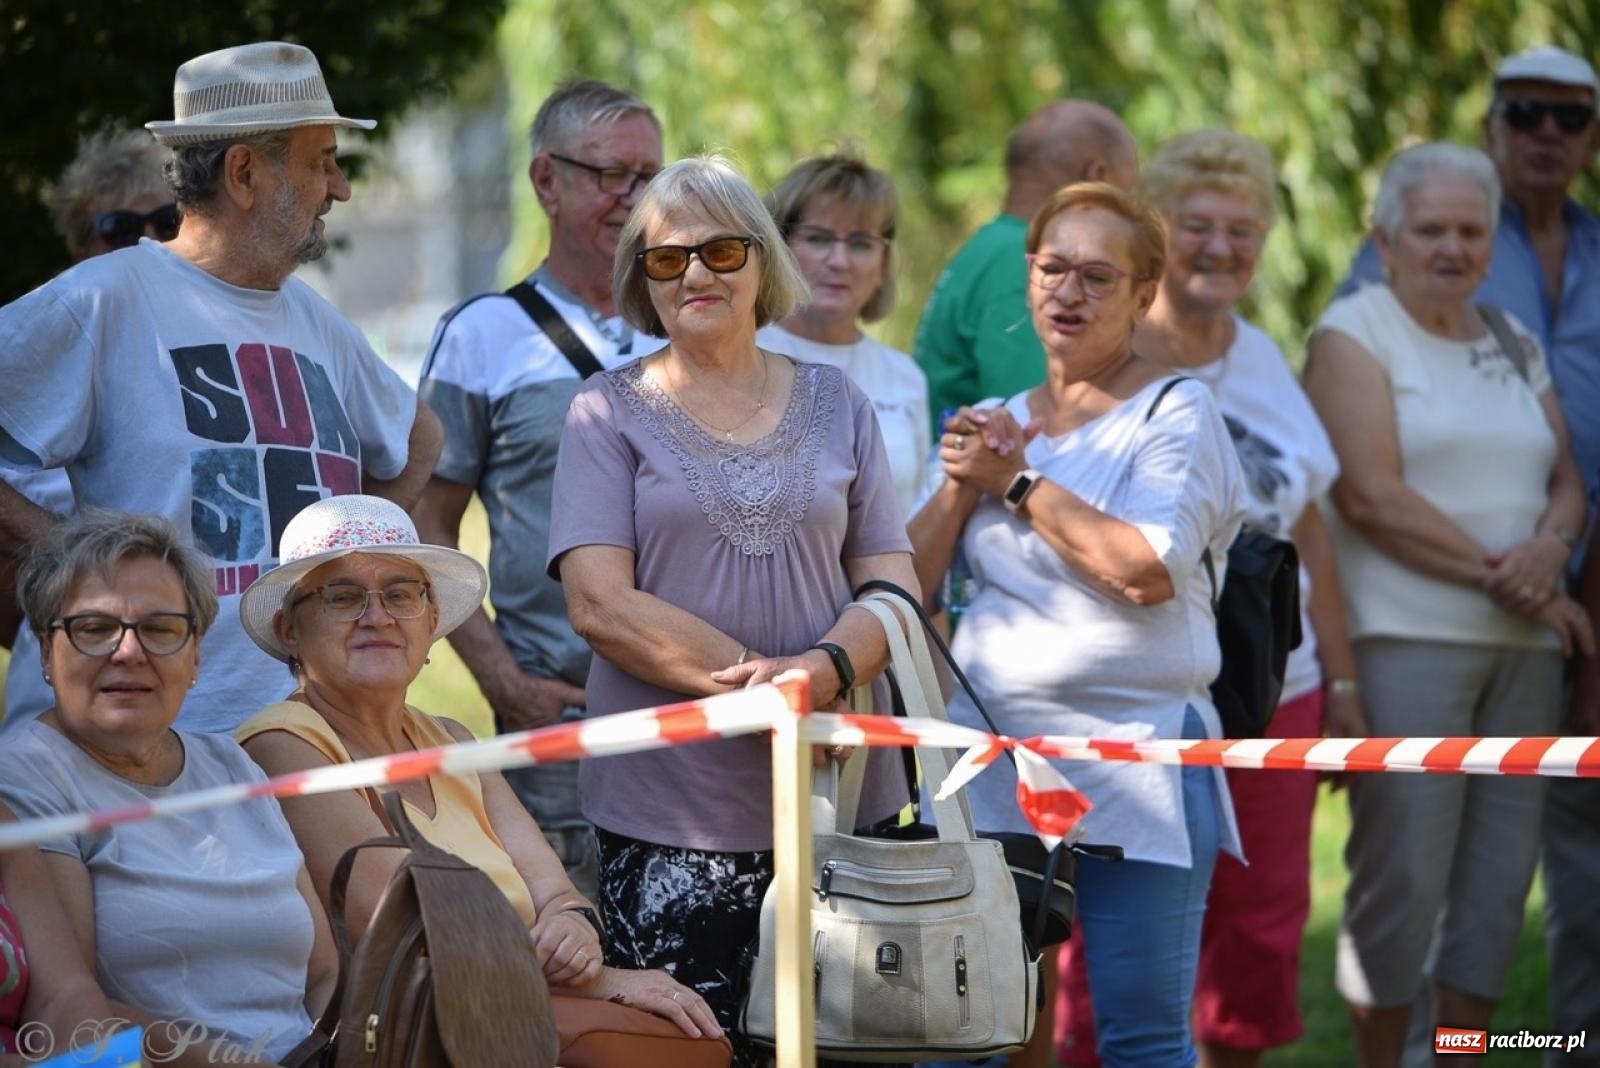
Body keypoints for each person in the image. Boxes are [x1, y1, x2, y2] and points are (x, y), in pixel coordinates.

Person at [547, 155, 919, 1064]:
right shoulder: (605, 412)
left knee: (855, 1054)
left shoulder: (840, 401)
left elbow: (894, 585)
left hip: (841, 810)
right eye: (668, 260)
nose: (698, 275)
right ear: (643, 280)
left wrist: (821, 673)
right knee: (690, 1055)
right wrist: (766, 697)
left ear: (763, 264)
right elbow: (600, 604)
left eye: (721, 250)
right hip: (672, 815)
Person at [0, 42, 442, 738]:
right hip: (152, 753)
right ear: (244, 173)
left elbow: (420, 436)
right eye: (320, 160)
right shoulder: (104, 301)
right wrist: (73, 561)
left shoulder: (313, 320)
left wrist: (347, 569)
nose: (340, 187)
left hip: (304, 742)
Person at [907, 181, 1245, 1067]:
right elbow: (904, 586)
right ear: (1028, 278)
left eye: (1100, 276)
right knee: (965, 1031)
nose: (1070, 292)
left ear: (1143, 295)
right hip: (993, 762)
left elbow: (1144, 569)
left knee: (1139, 1038)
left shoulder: (1178, 410)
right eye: (1054, 268)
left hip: (1140, 754)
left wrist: (1013, 485)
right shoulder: (1000, 422)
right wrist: (959, 479)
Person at [235, 494, 719, 1046]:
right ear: (289, 631)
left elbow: (557, 894)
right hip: (411, 1036)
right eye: (342, 597)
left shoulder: (452, 740)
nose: (379, 616)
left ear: (432, 620)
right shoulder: (281, 744)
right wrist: (603, 981)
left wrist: (574, 930)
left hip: (512, 1020)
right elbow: (405, 932)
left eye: (401, 594)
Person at [1304, 142, 1592, 1068]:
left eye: (1472, 230)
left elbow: (1568, 481)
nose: (1452, 246)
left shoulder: (1513, 336)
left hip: (1527, 653)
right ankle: (1386, 1060)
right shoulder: (1355, 332)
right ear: (1384, 240)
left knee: (1496, 893)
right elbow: (1368, 496)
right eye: (1430, 228)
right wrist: (1506, 576)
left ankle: (1452, 1058)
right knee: (1403, 884)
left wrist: (1548, 550)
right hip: (1407, 645)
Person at [1131, 129, 1353, 1068]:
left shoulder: (1262, 355)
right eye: (1196, 226)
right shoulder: (1118, 352)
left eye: (1243, 229)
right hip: (1147, 688)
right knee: (1129, 925)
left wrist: (1342, 676)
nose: (1222, 247)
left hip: (1276, 686)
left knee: (1260, 928)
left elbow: (1308, 527)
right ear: (1156, 233)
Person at [413, 79, 664, 901]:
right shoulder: (481, 336)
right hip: (561, 723)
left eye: (648, 177)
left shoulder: (698, 316)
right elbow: (425, 531)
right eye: (608, 175)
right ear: (545, 181)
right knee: (574, 971)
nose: (632, 200)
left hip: (702, 714)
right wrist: (501, 680)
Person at [0, 511, 337, 1066]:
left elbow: (322, 973)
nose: (128, 651)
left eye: (160, 629)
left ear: (196, 655)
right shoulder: (28, 780)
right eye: (94, 629)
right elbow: (69, 1007)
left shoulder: (230, 763)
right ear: (43, 651)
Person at [1, 130, 178, 657]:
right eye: (121, 230)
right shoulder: (56, 337)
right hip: (80, 669)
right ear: (82, 250)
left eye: (167, 222)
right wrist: (77, 555)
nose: (147, 244)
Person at [913, 99, 1139, 432]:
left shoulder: (989, 247)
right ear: (1097, 177)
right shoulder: (1029, 264)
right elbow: (1038, 425)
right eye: (1129, 191)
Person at [757, 151, 929, 516]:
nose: (840, 261)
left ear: (883, 265)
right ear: (779, 248)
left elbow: (910, 517)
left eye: (860, 244)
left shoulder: (905, 376)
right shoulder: (737, 357)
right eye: (819, 239)